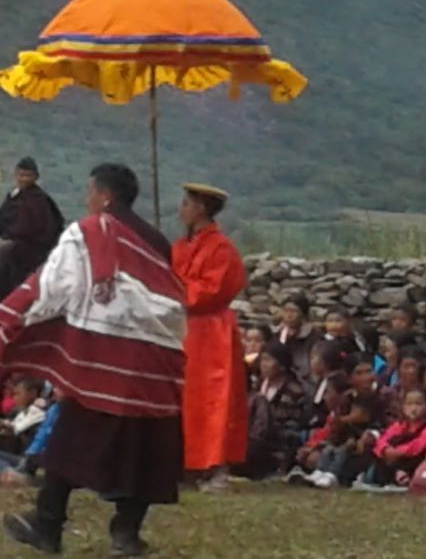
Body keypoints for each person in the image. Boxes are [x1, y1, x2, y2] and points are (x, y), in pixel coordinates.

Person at [0, 163, 185, 556]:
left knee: (70, 441)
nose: (87, 201)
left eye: (90, 193)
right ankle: (126, 533)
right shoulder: (157, 240)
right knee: (144, 447)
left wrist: (10, 316)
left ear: (104, 197)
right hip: (155, 362)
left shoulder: (88, 232)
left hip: (105, 359)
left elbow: (52, 286)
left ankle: (47, 527)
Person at [171, 183, 250, 494]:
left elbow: (211, 291)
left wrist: (175, 288)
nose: (182, 208)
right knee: (183, 399)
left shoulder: (221, 249)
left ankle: (216, 465)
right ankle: (186, 464)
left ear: (201, 208)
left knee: (213, 400)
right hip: (183, 330)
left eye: (187, 203)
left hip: (211, 333)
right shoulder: (179, 247)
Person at [0, 158, 65, 298]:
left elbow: (47, 229)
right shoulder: (13, 197)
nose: (24, 179)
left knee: (4, 251)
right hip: (13, 241)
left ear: (35, 177)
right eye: (21, 175)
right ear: (15, 175)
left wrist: (12, 236)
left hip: (33, 248)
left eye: (28, 176)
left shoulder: (39, 200)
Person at [245, 342, 308, 479]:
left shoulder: (293, 391)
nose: (264, 364)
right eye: (262, 359)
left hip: (280, 438)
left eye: (268, 360)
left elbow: (293, 422)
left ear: (281, 364)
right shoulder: (259, 385)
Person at [363, 389, 426, 488]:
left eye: (418, 404)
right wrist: (385, 449)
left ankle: (401, 477)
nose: (413, 408)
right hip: (392, 459)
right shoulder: (399, 425)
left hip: (412, 460)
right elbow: (383, 439)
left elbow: (418, 446)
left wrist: (398, 452)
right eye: (409, 404)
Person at [275, 294, 318, 381]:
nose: (289, 315)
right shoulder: (277, 335)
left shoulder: (313, 336)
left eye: (294, 311)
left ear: (303, 314)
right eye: (286, 311)